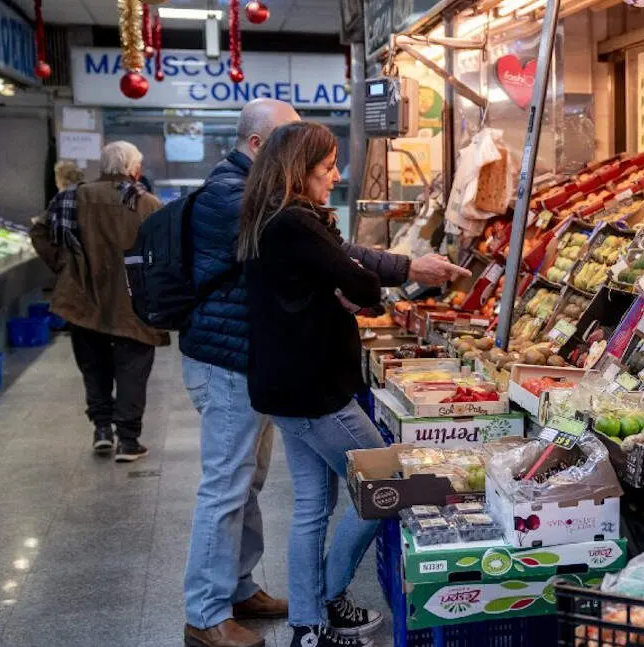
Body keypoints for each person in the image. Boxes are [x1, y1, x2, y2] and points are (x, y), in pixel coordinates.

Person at [181, 100, 468, 647]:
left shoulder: (270, 217)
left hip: (289, 387)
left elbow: (339, 274)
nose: (336, 176)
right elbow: (359, 285)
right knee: (389, 485)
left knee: (315, 503)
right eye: (327, 166)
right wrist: (351, 285)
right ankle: (332, 600)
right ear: (297, 169)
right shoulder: (293, 222)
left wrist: (342, 281)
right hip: (315, 393)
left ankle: (308, 625)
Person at [30, 141, 167, 461]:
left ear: (104, 167)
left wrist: (65, 268)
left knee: (94, 367)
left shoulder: (72, 197)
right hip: (132, 305)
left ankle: (102, 430)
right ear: (134, 169)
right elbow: (162, 254)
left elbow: (39, 233)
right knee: (133, 368)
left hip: (83, 301)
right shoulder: (147, 204)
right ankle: (129, 441)